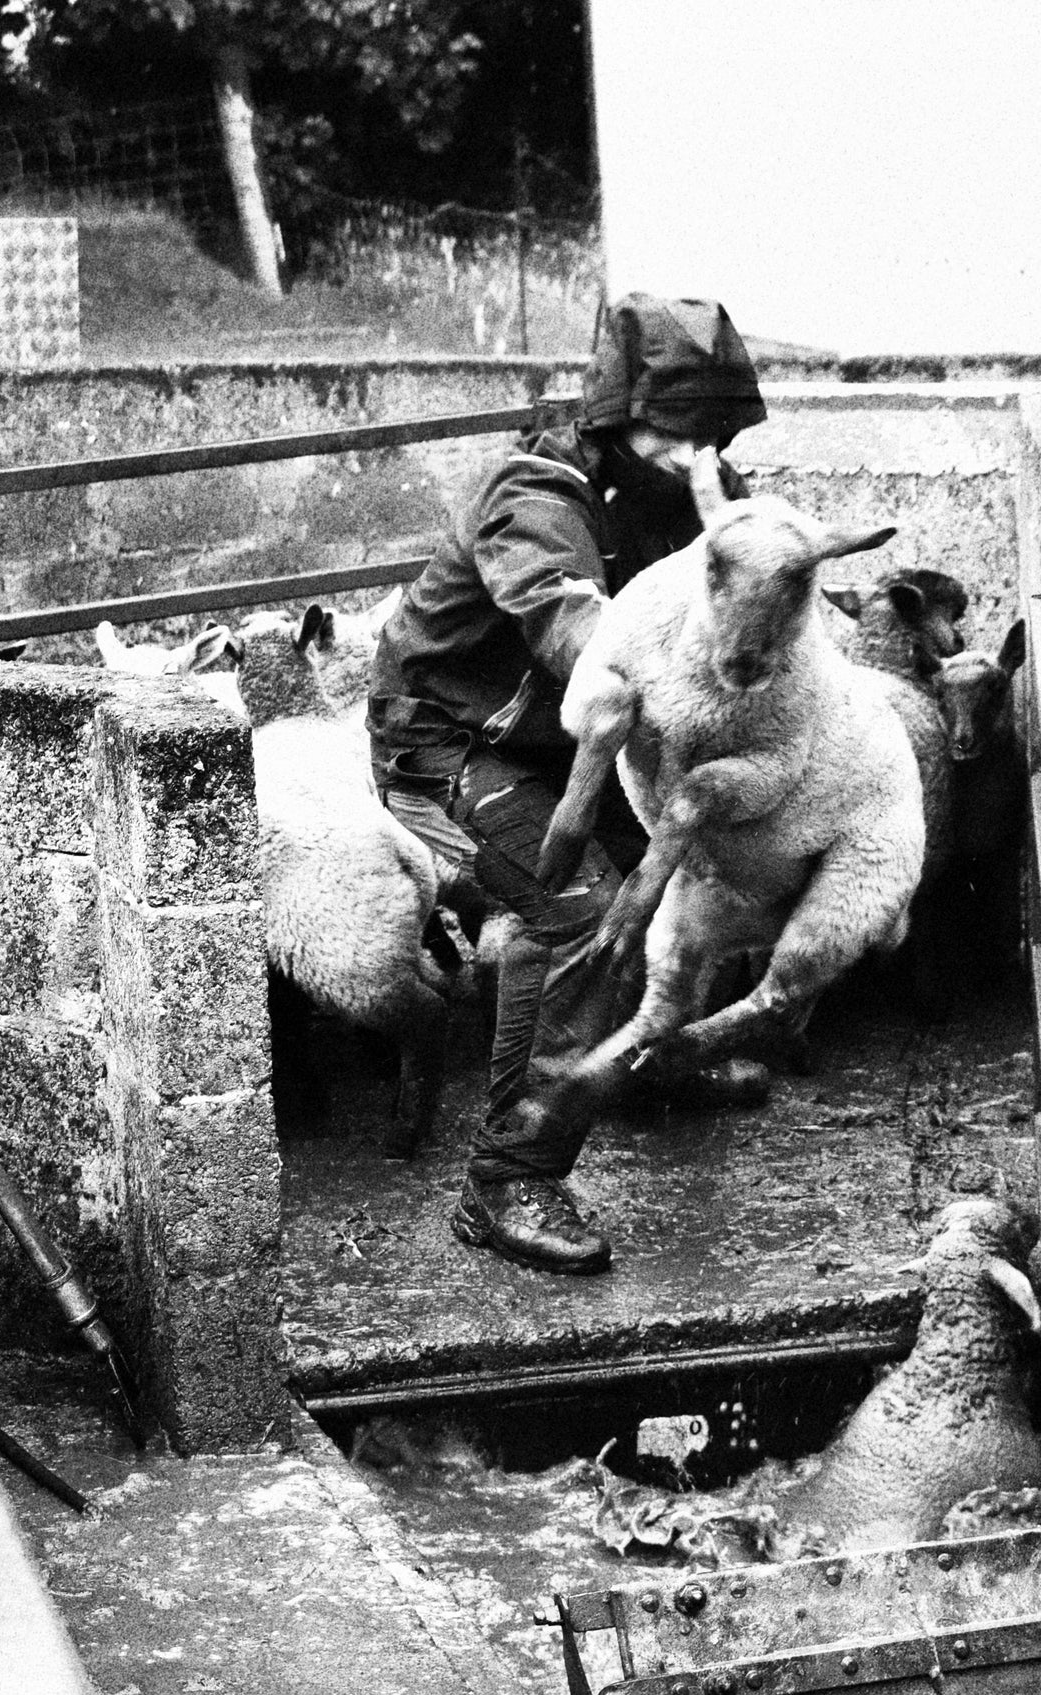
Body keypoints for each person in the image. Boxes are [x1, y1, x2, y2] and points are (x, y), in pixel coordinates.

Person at [368, 293, 770, 1277]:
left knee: (696, 864)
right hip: (451, 743)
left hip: (571, 745)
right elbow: (576, 634)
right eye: (675, 432)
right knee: (583, 909)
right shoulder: (537, 496)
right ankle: (507, 1181)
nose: (694, 456)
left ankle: (643, 1064)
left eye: (712, 434)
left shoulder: (694, 486)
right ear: (616, 411)